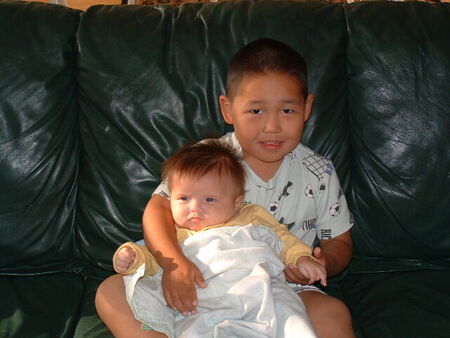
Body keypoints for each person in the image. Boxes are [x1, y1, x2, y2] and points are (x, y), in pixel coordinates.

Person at [96, 38, 355, 338]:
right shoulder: (207, 158)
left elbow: (340, 241)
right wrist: (174, 265)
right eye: (256, 111)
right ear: (228, 109)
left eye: (287, 111)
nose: (271, 126)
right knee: (111, 291)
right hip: (195, 281)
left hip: (281, 285)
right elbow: (159, 208)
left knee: (334, 312)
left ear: (307, 107)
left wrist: (322, 262)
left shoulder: (319, 172)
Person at [115, 139, 325, 337]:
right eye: (184, 198)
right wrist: (132, 258)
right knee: (190, 330)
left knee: (292, 317)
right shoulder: (176, 236)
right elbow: (157, 261)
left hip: (266, 293)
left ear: (236, 203)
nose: (194, 208)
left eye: (210, 199)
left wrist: (302, 258)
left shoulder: (251, 216)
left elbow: (283, 239)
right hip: (204, 308)